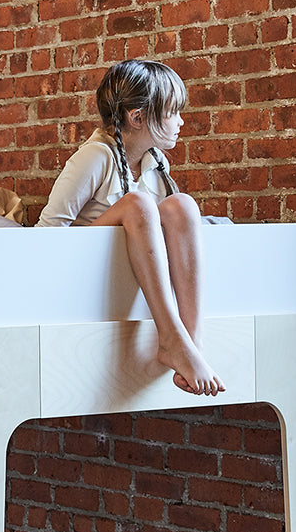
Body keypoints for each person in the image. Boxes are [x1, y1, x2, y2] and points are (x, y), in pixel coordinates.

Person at [37, 59, 225, 398]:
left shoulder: (156, 163)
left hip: (129, 272)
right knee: (138, 204)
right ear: (137, 117)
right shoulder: (96, 156)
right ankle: (170, 336)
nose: (181, 121)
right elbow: (47, 234)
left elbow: (172, 226)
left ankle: (189, 342)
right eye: (172, 112)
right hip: (86, 272)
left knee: (182, 204)